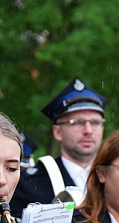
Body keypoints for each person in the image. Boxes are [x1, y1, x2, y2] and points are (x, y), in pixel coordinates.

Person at [10, 77, 106, 215]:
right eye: (77, 122)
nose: (88, 130)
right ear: (58, 132)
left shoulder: (116, 178)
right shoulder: (31, 184)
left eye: (95, 122)